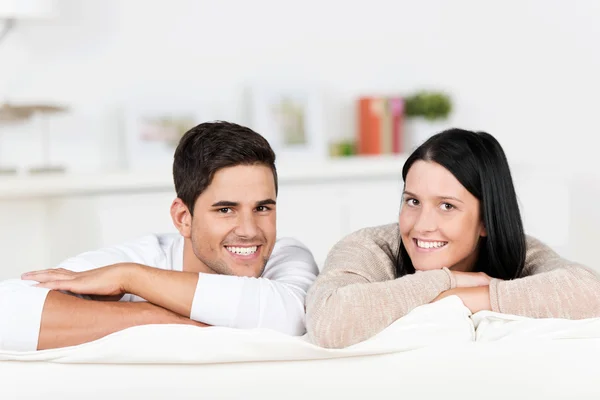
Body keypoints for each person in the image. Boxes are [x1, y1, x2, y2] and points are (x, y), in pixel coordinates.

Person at [1, 121, 318, 351]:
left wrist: (132, 279)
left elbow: (292, 317)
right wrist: (149, 316)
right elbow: (7, 311)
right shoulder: (145, 256)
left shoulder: (287, 254)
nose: (249, 231)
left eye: (262, 208)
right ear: (183, 218)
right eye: (225, 210)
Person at [305, 128, 600, 349]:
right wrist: (447, 281)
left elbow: (591, 292)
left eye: (447, 206)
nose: (422, 225)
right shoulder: (369, 247)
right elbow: (330, 322)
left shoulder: (521, 251)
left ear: (486, 219)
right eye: (412, 201)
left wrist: (458, 299)